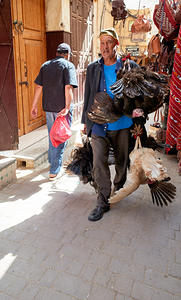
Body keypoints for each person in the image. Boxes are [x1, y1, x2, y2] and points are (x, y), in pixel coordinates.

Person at [81, 28, 139, 221]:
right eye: (102, 43)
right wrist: (85, 122)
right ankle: (102, 200)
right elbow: (88, 95)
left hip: (122, 124)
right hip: (99, 124)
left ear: (116, 44)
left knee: (122, 162)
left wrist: (138, 113)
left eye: (109, 42)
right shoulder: (93, 68)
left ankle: (119, 187)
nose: (105, 47)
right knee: (99, 161)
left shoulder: (130, 66)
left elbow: (139, 94)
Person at [31, 43, 78, 180]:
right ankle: (54, 171)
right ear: (67, 54)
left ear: (57, 53)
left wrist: (34, 106)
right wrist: (67, 108)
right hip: (62, 110)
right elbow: (68, 87)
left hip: (48, 108)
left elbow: (39, 87)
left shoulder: (45, 65)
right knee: (60, 138)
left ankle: (52, 162)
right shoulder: (68, 66)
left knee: (52, 136)